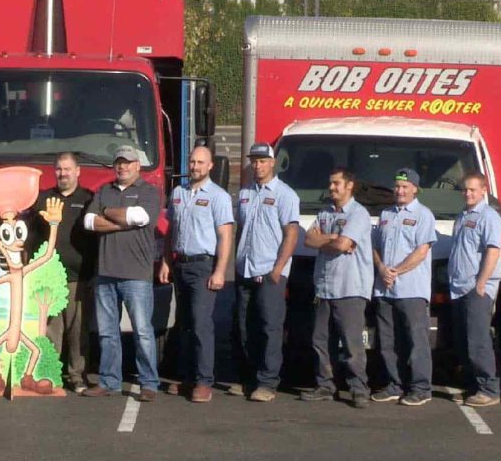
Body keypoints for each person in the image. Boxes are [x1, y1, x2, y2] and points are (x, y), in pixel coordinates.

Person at [82, 145, 161, 402]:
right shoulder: (104, 190)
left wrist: (105, 213)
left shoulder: (149, 191)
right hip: (105, 272)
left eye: (127, 162)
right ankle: (109, 381)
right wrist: (120, 221)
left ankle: (149, 383)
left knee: (143, 332)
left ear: (137, 165)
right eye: (118, 162)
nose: (122, 167)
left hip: (137, 274)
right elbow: (88, 222)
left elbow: (141, 217)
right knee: (107, 332)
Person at [158, 146, 233, 403]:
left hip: (203, 266)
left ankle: (204, 381)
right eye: (192, 162)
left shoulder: (218, 196)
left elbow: (225, 236)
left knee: (201, 324)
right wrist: (166, 262)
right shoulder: (178, 194)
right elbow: (170, 232)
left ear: (210, 166)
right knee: (185, 324)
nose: (195, 166)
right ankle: (187, 377)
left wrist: (220, 271)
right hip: (180, 265)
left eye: (201, 162)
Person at [232, 143, 300, 402]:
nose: (258, 165)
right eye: (254, 161)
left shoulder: (285, 195)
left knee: (269, 328)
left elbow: (291, 234)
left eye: (262, 161)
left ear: (272, 163)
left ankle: (267, 383)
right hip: (245, 269)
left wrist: (278, 269)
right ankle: (247, 378)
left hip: (270, 271)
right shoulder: (245, 193)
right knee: (244, 327)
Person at [301, 167, 373, 408]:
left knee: (352, 344)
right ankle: (325, 385)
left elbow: (344, 245)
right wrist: (332, 238)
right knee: (321, 341)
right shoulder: (324, 212)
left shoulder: (359, 214)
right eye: (330, 184)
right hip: (324, 287)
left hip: (349, 288)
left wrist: (332, 240)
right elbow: (309, 239)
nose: (331, 188)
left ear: (349, 185)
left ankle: (358, 388)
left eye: (336, 184)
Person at [30, 152, 96, 393]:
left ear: (78, 171)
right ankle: (50, 374)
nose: (63, 173)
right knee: (50, 330)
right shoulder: (43, 199)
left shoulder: (89, 199)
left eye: (68, 169)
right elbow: (31, 236)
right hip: (49, 278)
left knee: (78, 330)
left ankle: (77, 376)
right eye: (59, 169)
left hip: (79, 276)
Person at [371, 168, 438, 406]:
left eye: (405, 187)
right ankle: (393, 384)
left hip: (411, 289)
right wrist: (381, 269)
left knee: (415, 340)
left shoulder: (423, 214)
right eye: (397, 186)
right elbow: (375, 246)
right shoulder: (386, 214)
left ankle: (420, 387)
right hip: (385, 288)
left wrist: (396, 271)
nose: (399, 190)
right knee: (387, 340)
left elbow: (422, 251)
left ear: (415, 189)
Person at [448, 172, 501, 407]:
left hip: (476, 289)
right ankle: (473, 387)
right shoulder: (462, 215)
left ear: (484, 190)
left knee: (478, 341)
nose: (468, 193)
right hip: (459, 288)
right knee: (464, 342)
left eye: (473, 189)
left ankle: (489, 389)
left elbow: (492, 250)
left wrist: (481, 283)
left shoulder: (488, 216)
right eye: (465, 189)